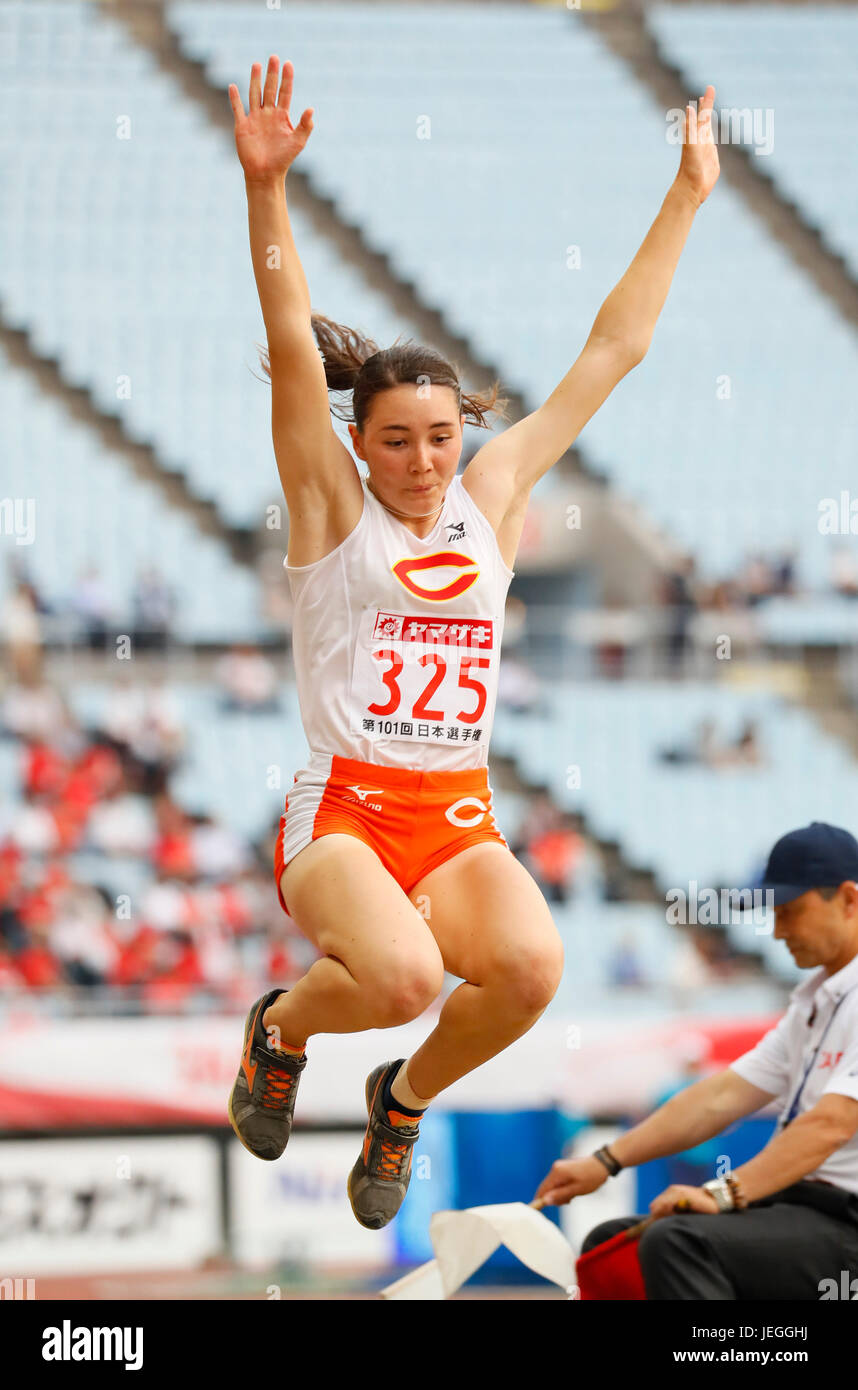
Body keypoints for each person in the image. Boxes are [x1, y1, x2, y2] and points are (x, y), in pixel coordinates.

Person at [225, 55, 721, 1229]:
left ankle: (400, 1104)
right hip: (343, 803)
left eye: (438, 436)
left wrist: (688, 195)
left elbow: (612, 353)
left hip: (454, 807)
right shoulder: (329, 509)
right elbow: (294, 344)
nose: (422, 462)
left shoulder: (491, 494)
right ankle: (278, 1031)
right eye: (395, 441)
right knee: (396, 976)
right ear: (360, 445)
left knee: (530, 970)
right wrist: (265, 191)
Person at [534, 822, 858, 1300]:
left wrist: (722, 1193)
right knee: (610, 1243)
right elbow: (720, 1096)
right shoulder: (815, 1002)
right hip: (804, 1208)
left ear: (850, 900)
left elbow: (831, 1124)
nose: (777, 930)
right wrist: (605, 1161)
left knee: (678, 1242)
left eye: (790, 911)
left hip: (845, 1221)